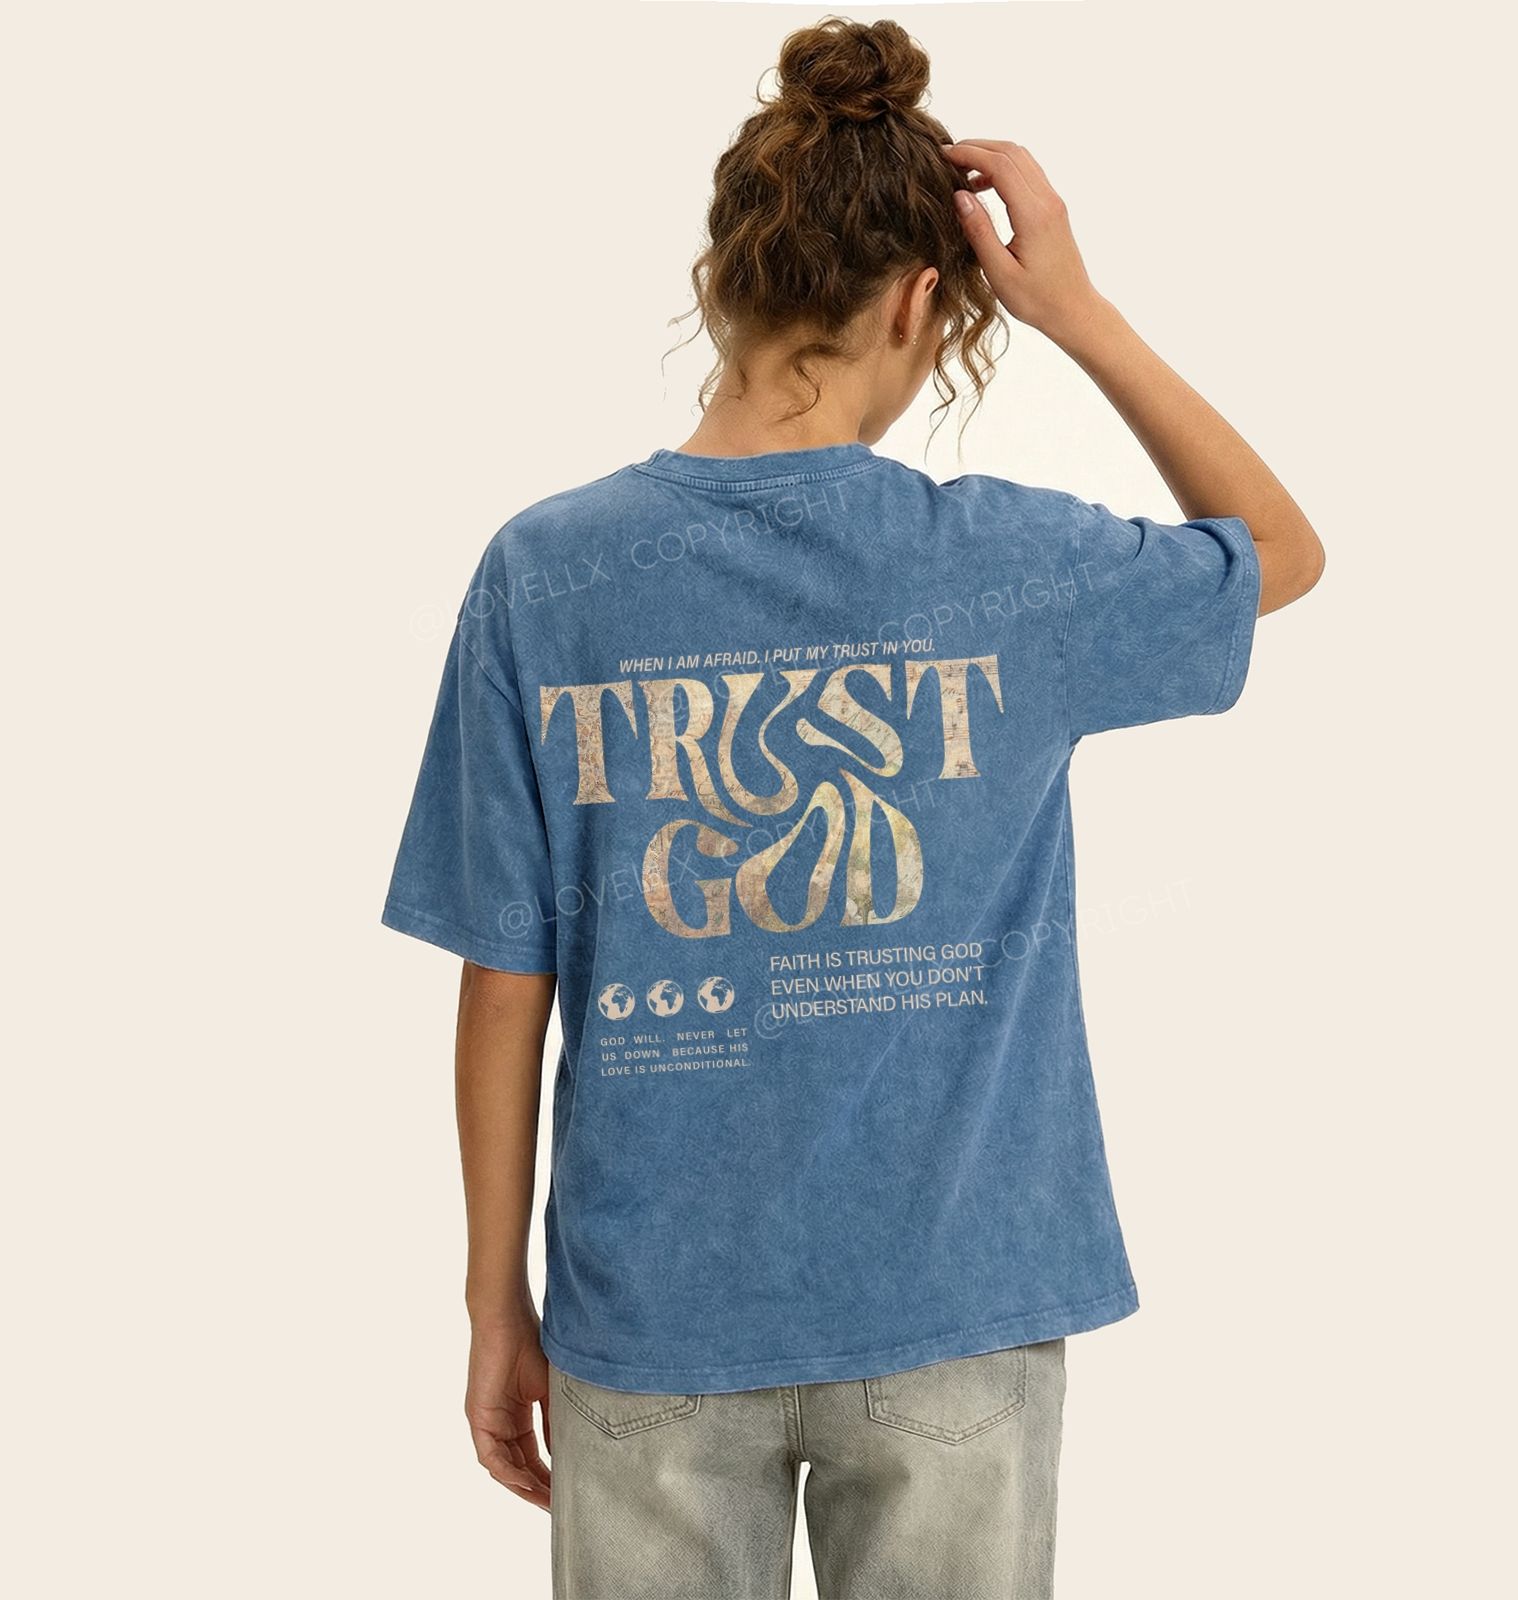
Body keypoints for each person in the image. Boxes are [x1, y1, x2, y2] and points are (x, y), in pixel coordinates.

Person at [381, 16, 1323, 1599]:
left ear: (723, 286)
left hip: (652, 1312)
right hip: (955, 1296)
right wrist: (1080, 312)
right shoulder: (1013, 567)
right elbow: (1278, 555)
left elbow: (502, 976)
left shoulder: (545, 574)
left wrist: (495, 1304)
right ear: (918, 304)